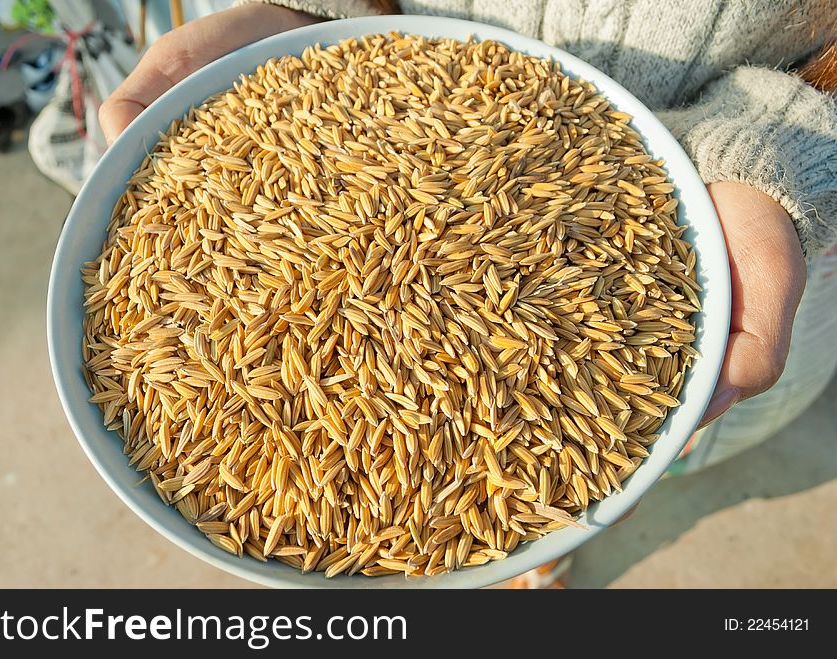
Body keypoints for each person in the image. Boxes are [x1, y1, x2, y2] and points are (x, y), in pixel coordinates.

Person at [99, 0, 837, 585]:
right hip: (394, 92)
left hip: (722, 235)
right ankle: (536, 562)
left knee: (624, 468)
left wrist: (785, 144)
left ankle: (536, 566)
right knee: (561, 501)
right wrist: (322, 14)